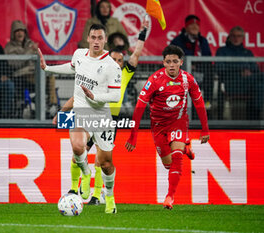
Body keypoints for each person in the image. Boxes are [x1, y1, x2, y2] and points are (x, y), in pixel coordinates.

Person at [44, 18, 150, 205]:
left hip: (107, 119)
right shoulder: (88, 63)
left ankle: (97, 194)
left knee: (102, 161)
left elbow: (136, 55)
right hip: (87, 112)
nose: (117, 62)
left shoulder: (122, 73)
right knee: (79, 149)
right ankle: (75, 186)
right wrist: (62, 112)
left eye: (120, 60)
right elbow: (78, 95)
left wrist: (142, 34)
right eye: (115, 59)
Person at [39, 24, 121, 214]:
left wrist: (95, 97)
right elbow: (72, 67)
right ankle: (86, 172)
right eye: (93, 37)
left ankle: (109, 196)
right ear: (88, 38)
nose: (96, 41)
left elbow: (115, 96)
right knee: (77, 146)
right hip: (81, 111)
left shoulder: (111, 66)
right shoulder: (79, 55)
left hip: (101, 115)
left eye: (100, 38)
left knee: (107, 164)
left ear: (105, 40)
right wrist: (47, 68)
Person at [125, 45, 210, 210]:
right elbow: (139, 107)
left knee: (176, 157)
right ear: (163, 62)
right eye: (168, 61)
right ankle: (185, 149)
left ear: (181, 62)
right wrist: (133, 135)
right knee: (168, 164)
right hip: (158, 126)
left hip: (178, 122)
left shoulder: (188, 80)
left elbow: (199, 103)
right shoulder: (155, 80)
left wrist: (205, 129)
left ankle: (170, 196)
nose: (172, 65)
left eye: (175, 61)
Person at [216, 26, 262, 120]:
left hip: (249, 84)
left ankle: (255, 120)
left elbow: (256, 69)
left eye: (239, 36)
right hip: (231, 84)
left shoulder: (247, 52)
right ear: (230, 37)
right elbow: (219, 68)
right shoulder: (222, 51)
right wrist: (240, 71)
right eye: (234, 36)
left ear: (243, 38)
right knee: (261, 79)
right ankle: (256, 119)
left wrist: (249, 72)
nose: (236, 38)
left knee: (260, 86)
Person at [170, 15, 213, 115]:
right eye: (191, 25)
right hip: (183, 73)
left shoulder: (203, 41)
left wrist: (198, 66)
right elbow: (172, 58)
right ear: (186, 27)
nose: (195, 27)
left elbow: (208, 58)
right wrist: (187, 64)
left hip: (201, 72)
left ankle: (207, 105)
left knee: (210, 72)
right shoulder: (178, 41)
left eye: (197, 25)